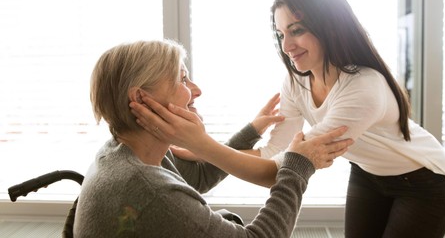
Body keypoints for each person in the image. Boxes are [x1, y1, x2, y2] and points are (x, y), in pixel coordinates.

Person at [132, 0, 445, 238]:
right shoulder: (296, 82)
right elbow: (276, 152)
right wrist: (205, 149)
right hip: (368, 172)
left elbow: (279, 172)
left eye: (297, 30)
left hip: (424, 179)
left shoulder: (363, 89)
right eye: (281, 33)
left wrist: (203, 146)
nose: (287, 46)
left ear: (329, 26)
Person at [74, 39, 353, 237]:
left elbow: (198, 178)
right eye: (182, 79)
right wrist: (299, 166)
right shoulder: (149, 189)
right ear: (140, 99)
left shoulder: (124, 150)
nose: (196, 90)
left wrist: (250, 132)